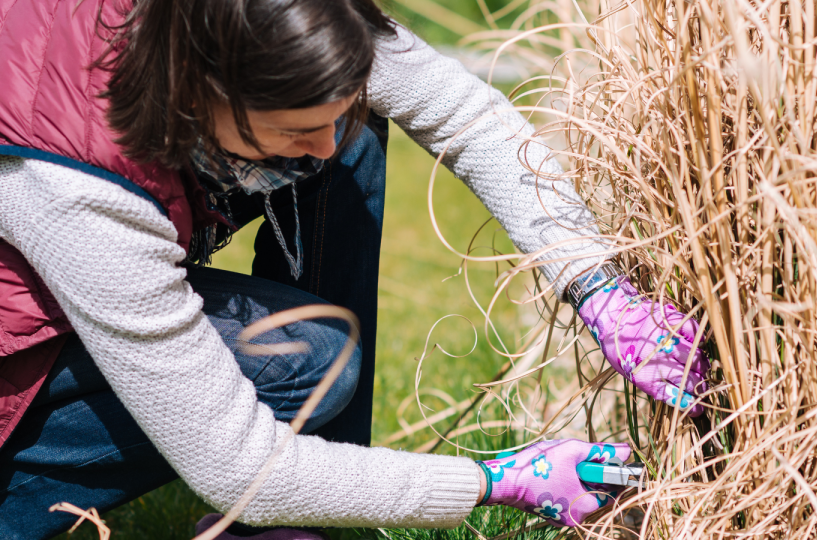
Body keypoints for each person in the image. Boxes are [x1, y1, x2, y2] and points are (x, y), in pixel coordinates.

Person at [0, 0, 708, 538]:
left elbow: (471, 120)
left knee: (354, 138)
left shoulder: (274, 18)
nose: (321, 143)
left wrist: (595, 283)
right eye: (291, 130)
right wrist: (495, 481)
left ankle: (298, 520)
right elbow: (238, 467)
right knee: (312, 362)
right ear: (199, 95)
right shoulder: (75, 191)